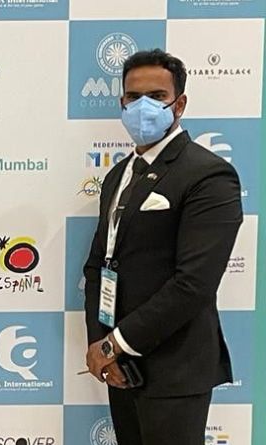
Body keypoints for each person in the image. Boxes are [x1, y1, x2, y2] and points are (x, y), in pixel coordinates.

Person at [82, 49, 243, 445]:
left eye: (156, 96)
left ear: (179, 104)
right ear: (122, 103)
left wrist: (114, 343)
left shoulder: (208, 174)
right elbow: (98, 265)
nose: (143, 107)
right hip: (120, 367)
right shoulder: (117, 176)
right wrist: (101, 343)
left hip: (175, 369)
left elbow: (194, 284)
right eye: (133, 97)